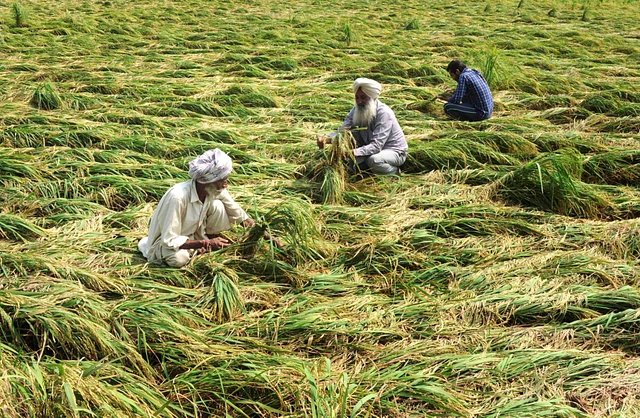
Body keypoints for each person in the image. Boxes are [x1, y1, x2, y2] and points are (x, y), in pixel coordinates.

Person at [138, 149, 277, 268]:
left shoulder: (214, 190)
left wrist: (269, 237)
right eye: (223, 180)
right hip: (167, 244)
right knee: (179, 259)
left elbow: (239, 215)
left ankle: (208, 241)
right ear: (208, 182)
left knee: (219, 206)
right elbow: (169, 240)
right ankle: (204, 245)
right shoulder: (178, 197)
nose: (225, 184)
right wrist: (206, 243)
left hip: (194, 235)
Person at [317, 78, 408, 176]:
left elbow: (376, 146)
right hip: (370, 148)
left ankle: (394, 172)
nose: (359, 101)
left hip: (393, 152)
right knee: (352, 166)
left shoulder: (384, 113)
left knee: (374, 160)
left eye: (363, 98)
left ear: (372, 97)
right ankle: (372, 170)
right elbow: (344, 130)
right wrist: (327, 139)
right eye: (357, 98)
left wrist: (350, 152)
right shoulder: (356, 109)